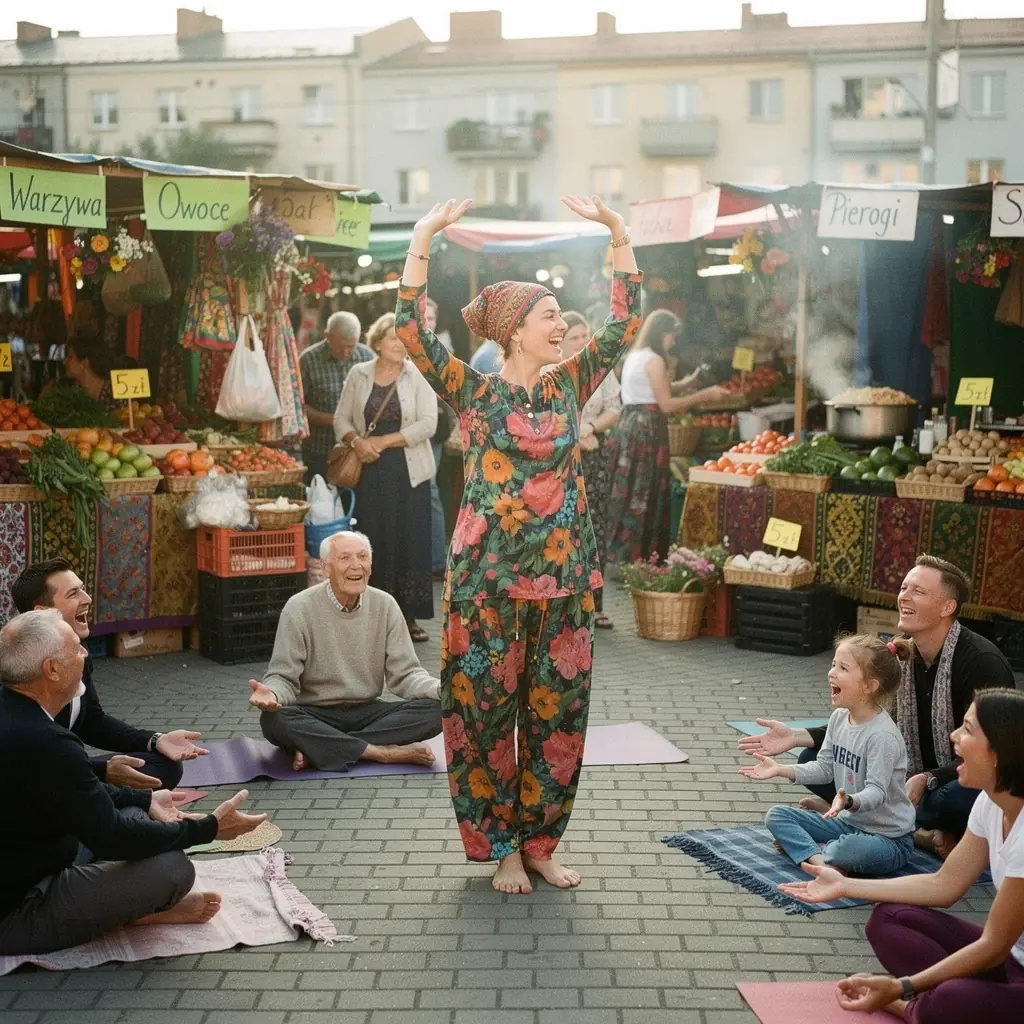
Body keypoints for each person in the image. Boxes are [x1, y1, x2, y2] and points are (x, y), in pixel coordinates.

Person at [395, 193, 642, 895]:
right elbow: (410, 333)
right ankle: (502, 848)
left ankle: (540, 843)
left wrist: (617, 233)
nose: (560, 324)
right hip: (485, 583)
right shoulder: (475, 394)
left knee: (558, 719)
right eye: (547, 316)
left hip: (563, 582)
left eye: (560, 315)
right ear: (512, 333)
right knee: (484, 719)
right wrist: (422, 237)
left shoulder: (571, 385)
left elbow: (623, 323)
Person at [0, 609, 265, 955]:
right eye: (77, 649)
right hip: (18, 910)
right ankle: (135, 912)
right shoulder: (46, 740)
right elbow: (113, 838)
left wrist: (144, 801)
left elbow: (75, 792)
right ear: (51, 670)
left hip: (42, 856)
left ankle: (128, 904)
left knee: (137, 808)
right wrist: (210, 828)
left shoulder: (22, 718)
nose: (84, 655)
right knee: (172, 869)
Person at [739, 555, 1017, 858]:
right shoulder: (902, 653)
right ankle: (910, 830)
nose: (903, 597)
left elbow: (997, 753)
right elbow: (863, 720)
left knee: (956, 799)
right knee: (812, 756)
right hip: (900, 779)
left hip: (956, 778)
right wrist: (796, 735)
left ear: (947, 607)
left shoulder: (980, 662)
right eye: (904, 588)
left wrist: (929, 778)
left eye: (918, 592)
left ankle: (891, 826)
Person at [778, 688, 1024, 1022]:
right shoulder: (991, 802)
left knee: (952, 998)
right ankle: (943, 1002)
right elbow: (944, 885)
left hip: (1002, 956)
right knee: (888, 918)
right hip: (1009, 960)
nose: (954, 737)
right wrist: (846, 887)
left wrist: (901, 988)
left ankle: (918, 1006)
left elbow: (994, 944)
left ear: (999, 751)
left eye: (966, 729)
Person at [249, 531, 442, 772]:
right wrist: (273, 695)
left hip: (368, 710)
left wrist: (440, 689)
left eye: (363, 557)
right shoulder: (298, 608)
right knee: (274, 721)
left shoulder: (386, 605)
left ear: (371, 564)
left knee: (436, 710)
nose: (356, 565)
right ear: (325, 568)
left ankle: (320, 748)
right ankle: (381, 753)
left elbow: (406, 674)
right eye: (344, 558)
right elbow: (283, 677)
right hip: (315, 713)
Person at [10, 559, 208, 790]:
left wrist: (155, 740)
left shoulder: (76, 651)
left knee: (165, 765)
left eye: (82, 588)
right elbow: (33, 761)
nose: (87, 599)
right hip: (30, 782)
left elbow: (92, 721)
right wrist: (104, 771)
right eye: (74, 593)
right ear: (43, 612)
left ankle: (114, 804)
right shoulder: (20, 669)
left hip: (68, 768)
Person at [741, 634, 917, 876]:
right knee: (777, 816)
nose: (831, 673)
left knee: (848, 850)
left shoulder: (882, 735)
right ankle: (821, 863)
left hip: (888, 839)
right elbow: (824, 768)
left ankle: (814, 851)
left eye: (843, 668)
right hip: (847, 823)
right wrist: (780, 769)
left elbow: (877, 792)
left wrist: (849, 801)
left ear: (869, 686)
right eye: (834, 664)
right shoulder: (838, 718)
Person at [334, 312, 437, 642]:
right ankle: (370, 613)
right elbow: (341, 420)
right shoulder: (359, 374)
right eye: (394, 338)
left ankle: (408, 617)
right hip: (370, 472)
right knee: (374, 540)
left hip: (408, 471)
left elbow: (427, 424)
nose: (400, 344)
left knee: (409, 541)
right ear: (377, 342)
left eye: (405, 339)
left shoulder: (417, 374)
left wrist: (383, 441)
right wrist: (357, 442)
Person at [604, 309, 729, 565]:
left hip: (631, 426)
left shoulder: (635, 356)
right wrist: (706, 394)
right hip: (647, 430)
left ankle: (624, 553)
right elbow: (667, 405)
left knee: (630, 491)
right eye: (672, 336)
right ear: (662, 334)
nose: (673, 342)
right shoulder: (655, 360)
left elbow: (655, 389)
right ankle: (642, 556)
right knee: (646, 492)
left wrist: (688, 383)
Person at [560, 310, 620, 629]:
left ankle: (595, 605)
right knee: (563, 529)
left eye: (586, 335)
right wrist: (576, 435)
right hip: (560, 459)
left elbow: (614, 408)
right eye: (575, 337)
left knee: (594, 526)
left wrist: (591, 428)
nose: (583, 342)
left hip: (594, 457)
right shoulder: (551, 369)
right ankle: (564, 602)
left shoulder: (600, 366)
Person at [299, 311, 372, 483]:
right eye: (340, 347)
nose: (346, 353)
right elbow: (297, 407)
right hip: (319, 450)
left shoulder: (367, 358)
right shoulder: (308, 360)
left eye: (351, 346)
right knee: (320, 504)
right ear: (327, 336)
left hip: (356, 452)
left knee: (354, 505)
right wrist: (334, 420)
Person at [424, 297, 455, 575]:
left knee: (430, 490)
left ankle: (436, 560)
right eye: (423, 317)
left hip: (432, 430)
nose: (428, 323)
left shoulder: (440, 352)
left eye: (431, 319)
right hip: (403, 430)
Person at [63, 336, 117, 411]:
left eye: (70, 357)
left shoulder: (113, 393)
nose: (64, 362)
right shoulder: (71, 391)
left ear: (85, 362)